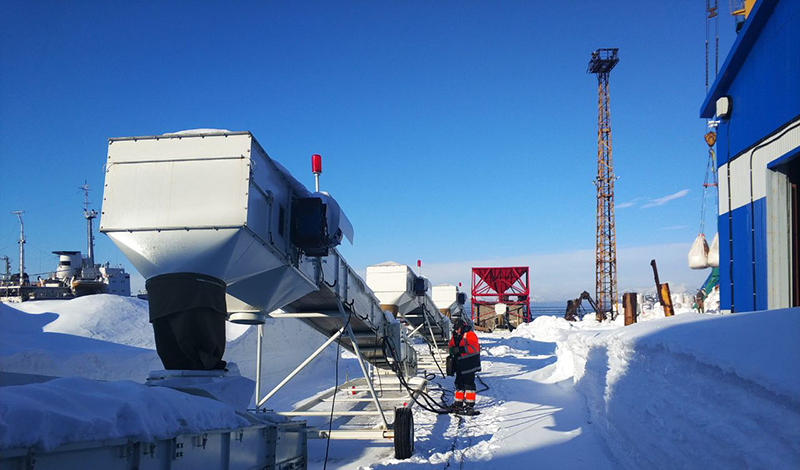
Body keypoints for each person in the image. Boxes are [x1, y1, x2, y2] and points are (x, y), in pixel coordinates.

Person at [448, 318, 481, 413]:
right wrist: (451, 349)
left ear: (462, 327)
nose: (456, 330)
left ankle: (470, 405)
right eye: (455, 329)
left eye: (458, 328)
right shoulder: (455, 335)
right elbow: (451, 344)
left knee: (469, 384)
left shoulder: (470, 335)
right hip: (460, 365)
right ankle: (458, 403)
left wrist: (460, 349)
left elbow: (474, 348)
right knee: (459, 384)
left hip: (469, 364)